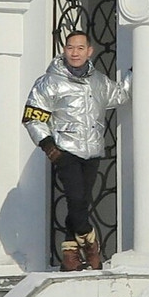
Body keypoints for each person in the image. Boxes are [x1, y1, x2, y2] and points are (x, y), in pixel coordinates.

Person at [22, 30, 130, 271]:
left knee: (80, 204)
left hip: (92, 150)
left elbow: (120, 94)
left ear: (89, 51)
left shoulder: (99, 81)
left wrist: (137, 71)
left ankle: (70, 255)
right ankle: (90, 243)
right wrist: (49, 146)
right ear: (64, 50)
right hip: (65, 150)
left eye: (80, 48)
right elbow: (33, 116)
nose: (75, 53)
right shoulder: (49, 82)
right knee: (76, 199)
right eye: (71, 47)